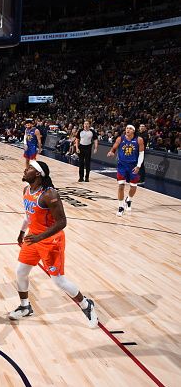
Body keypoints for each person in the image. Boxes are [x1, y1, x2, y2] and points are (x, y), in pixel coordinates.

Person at [9, 160, 98, 328]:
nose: (25, 169)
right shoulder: (26, 190)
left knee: (58, 281)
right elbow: (28, 215)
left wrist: (40, 236)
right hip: (33, 237)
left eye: (29, 168)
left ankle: (86, 304)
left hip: (51, 240)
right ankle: (25, 306)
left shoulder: (50, 195)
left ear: (37, 174)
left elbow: (62, 222)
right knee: (21, 272)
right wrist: (22, 232)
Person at [107, 125, 144, 216]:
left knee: (133, 187)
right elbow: (114, 147)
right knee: (121, 186)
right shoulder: (120, 138)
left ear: (133, 131)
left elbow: (141, 154)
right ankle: (120, 207)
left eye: (130, 128)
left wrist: (138, 166)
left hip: (133, 166)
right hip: (122, 165)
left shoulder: (139, 140)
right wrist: (112, 152)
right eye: (127, 128)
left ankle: (129, 199)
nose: (128, 130)